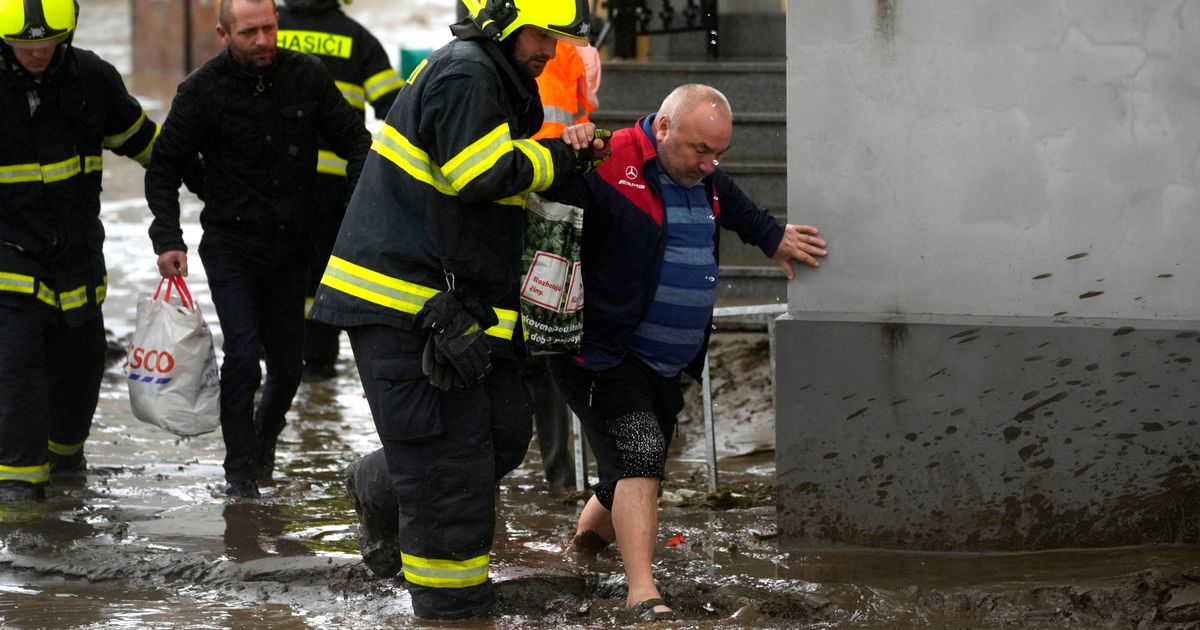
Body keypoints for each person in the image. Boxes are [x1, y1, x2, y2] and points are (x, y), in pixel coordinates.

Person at [309, 0, 604, 619]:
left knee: (500, 433)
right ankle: (452, 607)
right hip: (404, 310)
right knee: (450, 468)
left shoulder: (488, 75)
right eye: (543, 37)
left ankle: (381, 482)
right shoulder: (468, 72)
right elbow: (479, 174)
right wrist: (562, 158)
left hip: (444, 307)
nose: (551, 53)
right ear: (501, 21)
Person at [546, 84, 829, 621]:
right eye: (701, 150)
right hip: (602, 352)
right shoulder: (609, 159)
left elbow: (737, 205)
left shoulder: (704, 176)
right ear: (663, 127)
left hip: (665, 361)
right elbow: (538, 198)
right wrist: (567, 147)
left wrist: (773, 238)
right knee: (640, 455)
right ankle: (643, 594)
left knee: (626, 473)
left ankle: (581, 551)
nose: (709, 164)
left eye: (719, 152)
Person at [145, 0, 371, 499]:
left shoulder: (306, 76)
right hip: (231, 246)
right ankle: (240, 473)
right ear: (224, 34)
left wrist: (353, 212)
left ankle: (263, 442)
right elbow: (163, 166)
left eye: (269, 28)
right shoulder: (202, 91)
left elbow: (358, 142)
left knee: (290, 366)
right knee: (243, 356)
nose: (264, 40)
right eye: (250, 33)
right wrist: (168, 238)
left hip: (294, 246)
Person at [0, 0, 168, 502]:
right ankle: (20, 534)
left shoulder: (91, 79)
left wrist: (220, 187)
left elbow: (150, 146)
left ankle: (66, 485)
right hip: (8, 266)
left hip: (77, 266)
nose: (35, 55)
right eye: (23, 46)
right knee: (18, 379)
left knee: (81, 375)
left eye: (45, 44)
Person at [276, 0, 404, 379]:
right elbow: (397, 110)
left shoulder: (267, 29)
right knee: (322, 276)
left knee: (275, 271)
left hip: (272, 183)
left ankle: (276, 358)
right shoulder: (357, 38)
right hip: (332, 187)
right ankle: (318, 366)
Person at [524, 37, 599, 493]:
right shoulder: (569, 52)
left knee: (544, 349)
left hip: (547, 205)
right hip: (526, 201)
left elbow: (583, 126)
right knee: (538, 351)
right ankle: (559, 481)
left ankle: (560, 479)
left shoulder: (568, 52)